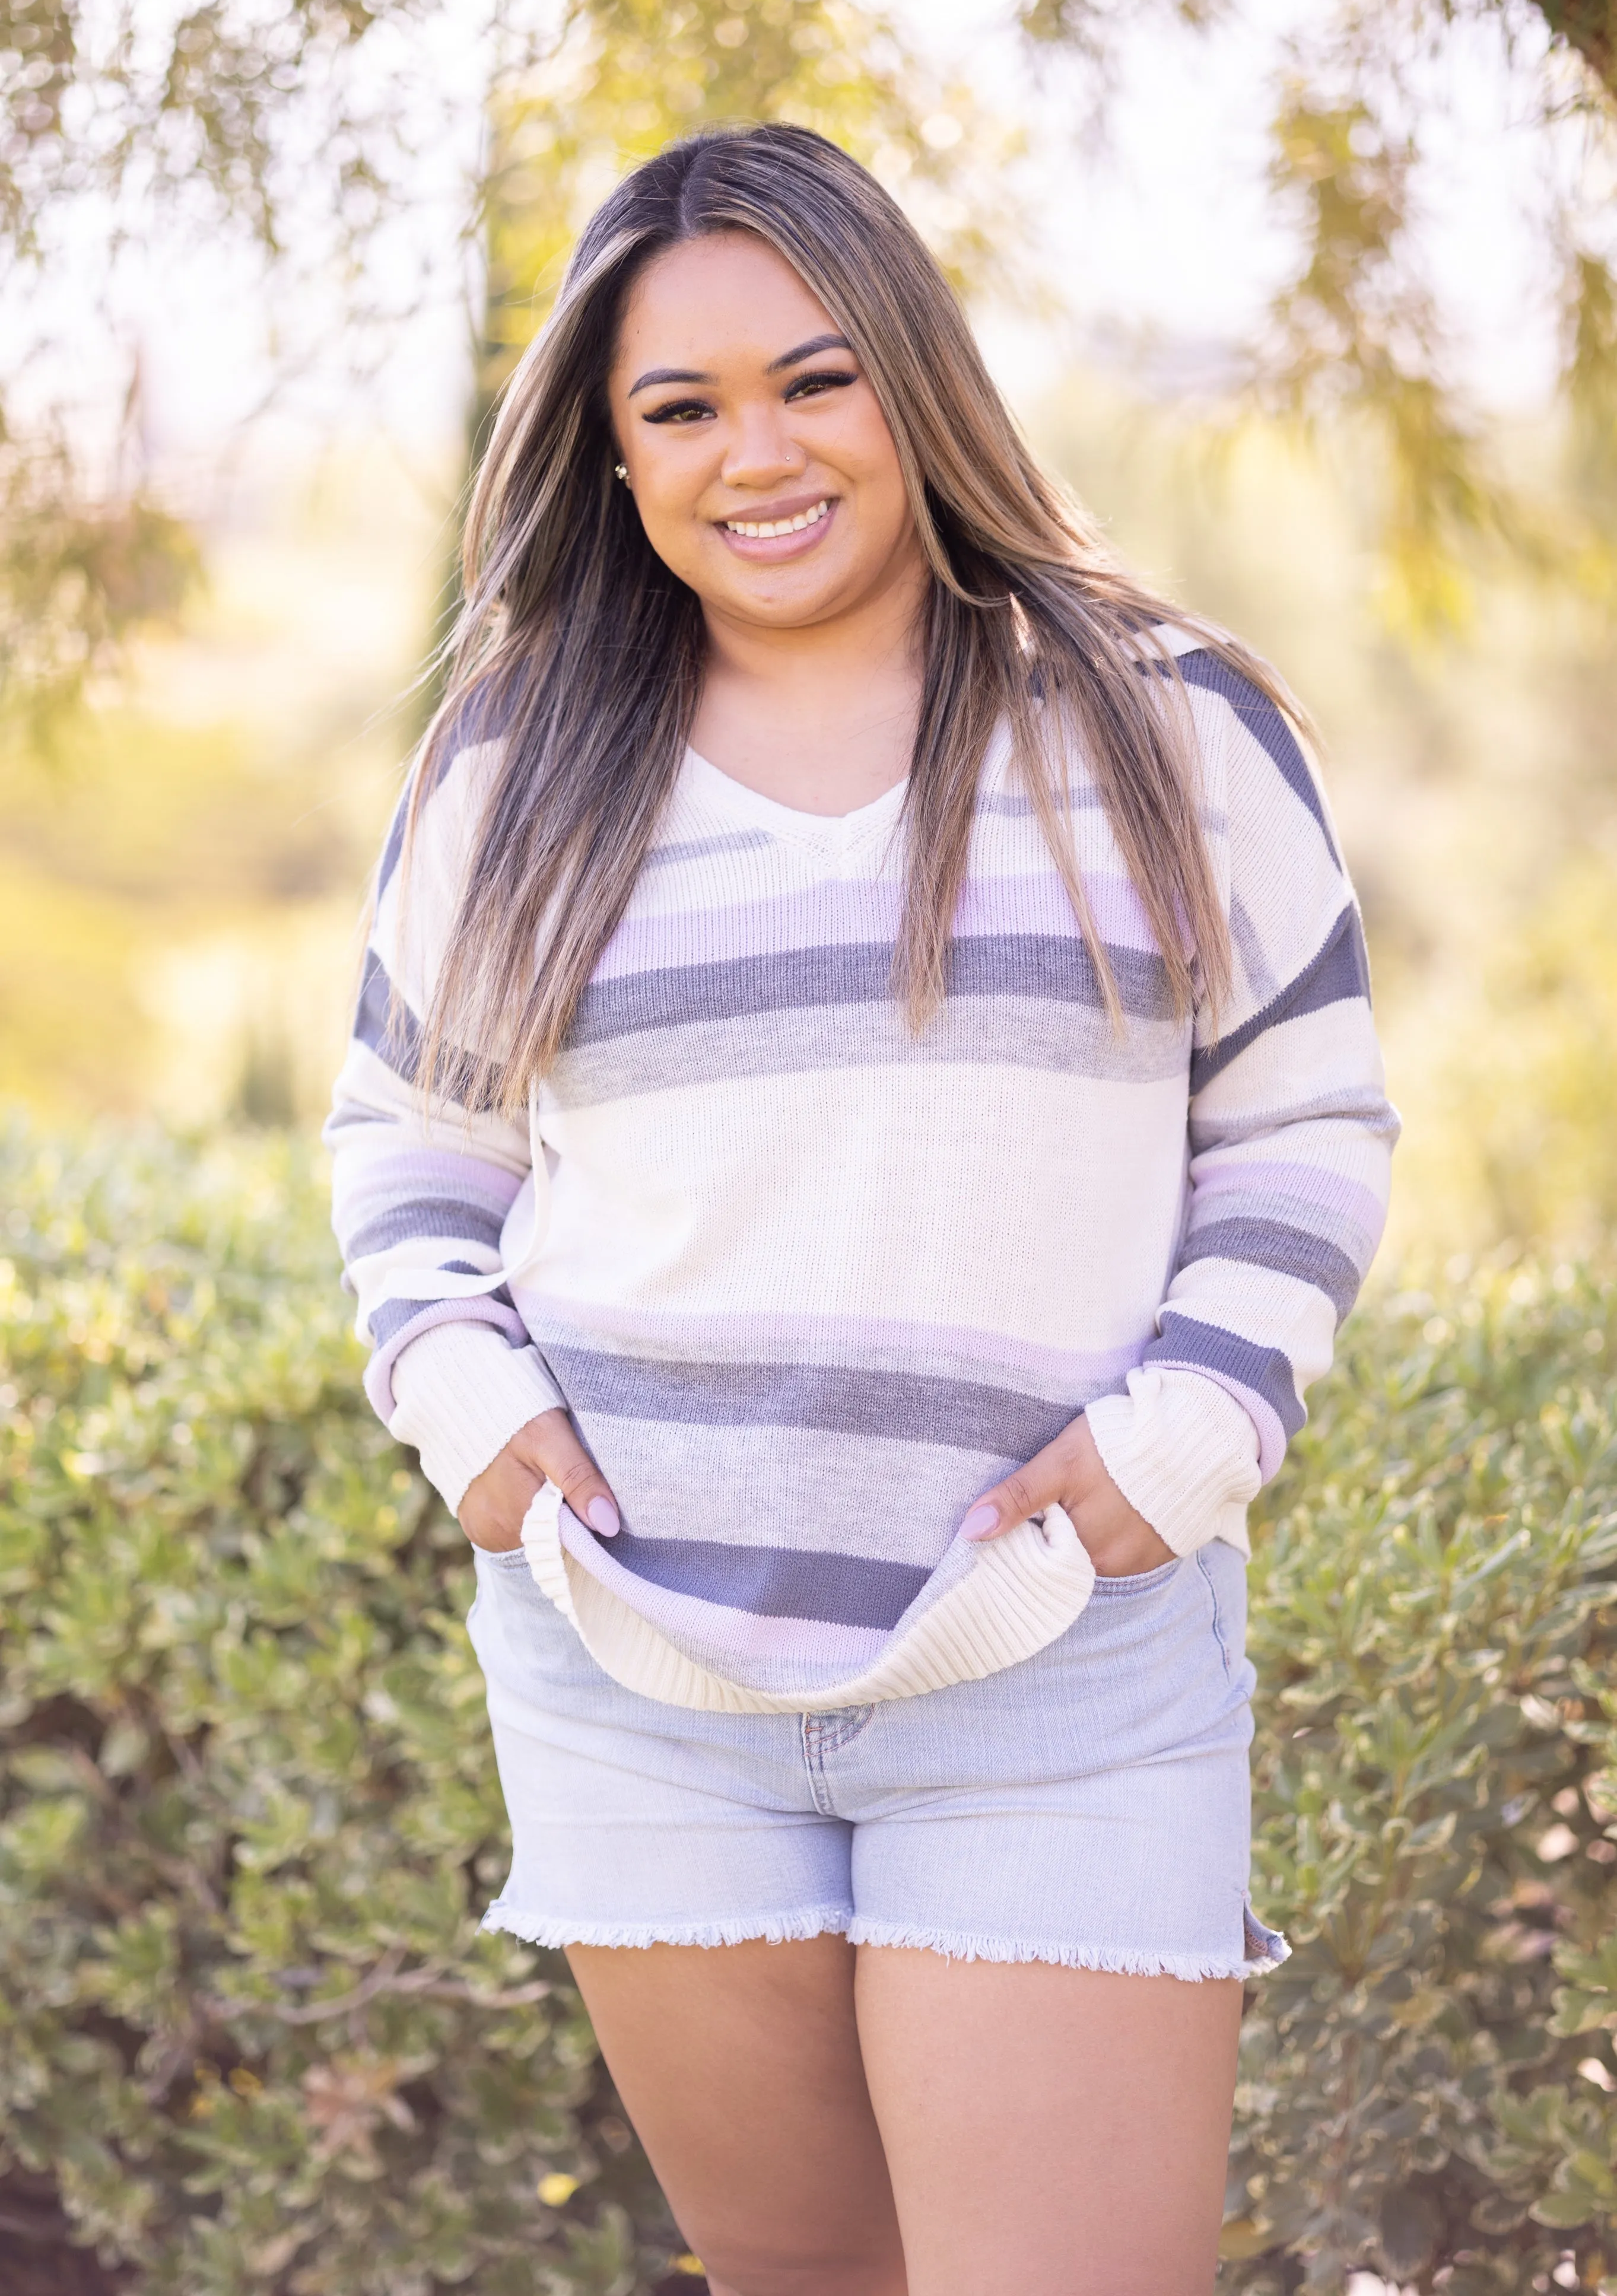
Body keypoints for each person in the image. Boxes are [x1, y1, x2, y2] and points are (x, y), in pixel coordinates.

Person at [326, 122, 1396, 2296]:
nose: (758, 453)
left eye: (815, 379)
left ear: (914, 382)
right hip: (634, 1664)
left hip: (1052, 1668)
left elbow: (1300, 1118)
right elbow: (411, 1138)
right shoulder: (515, 754)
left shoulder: (1157, 721)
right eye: (681, 406)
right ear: (612, 458)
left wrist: (1189, 1429)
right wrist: (463, 1401)